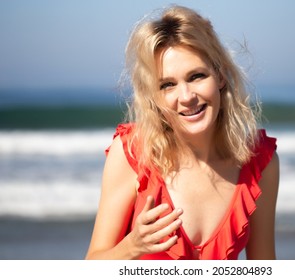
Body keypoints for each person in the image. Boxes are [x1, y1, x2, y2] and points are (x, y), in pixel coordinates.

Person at [85, 5, 279, 260]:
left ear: (220, 76)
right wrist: (132, 246)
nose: (186, 97)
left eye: (197, 76)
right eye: (168, 85)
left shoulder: (259, 163)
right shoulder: (132, 153)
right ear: (154, 96)